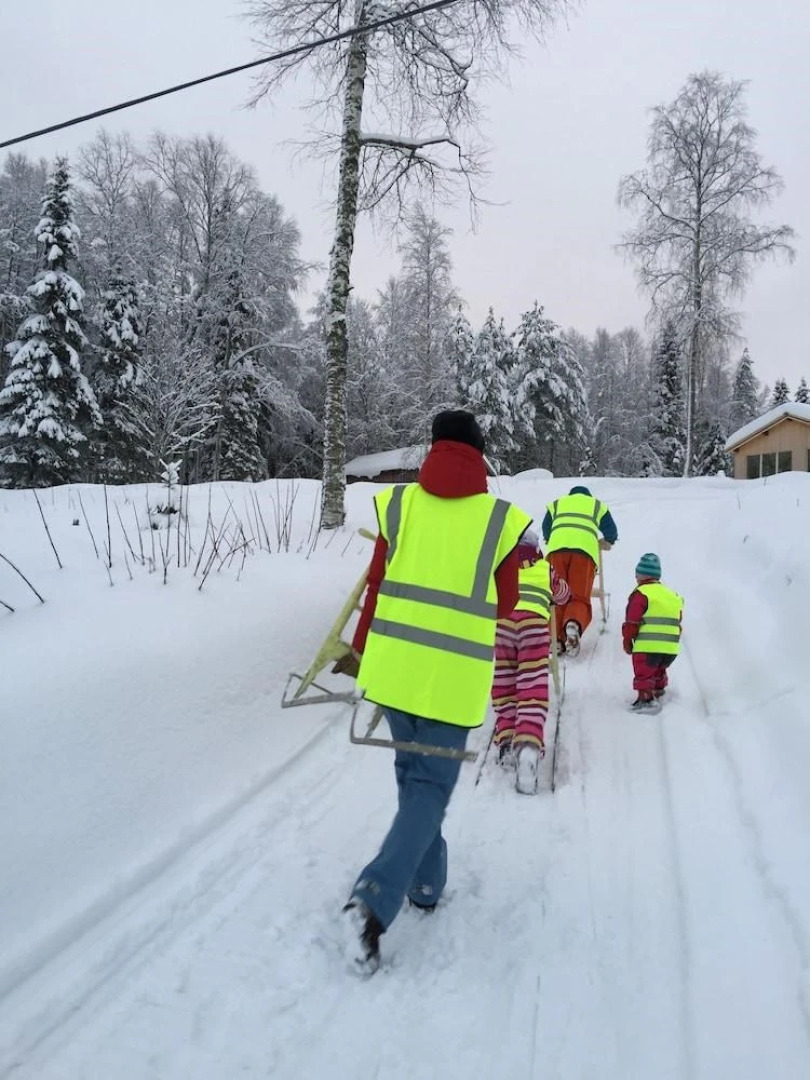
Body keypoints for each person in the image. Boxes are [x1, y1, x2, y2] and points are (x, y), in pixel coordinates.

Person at [338, 409, 532, 975]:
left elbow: (375, 584)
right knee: (427, 788)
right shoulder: (498, 521)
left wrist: (359, 649)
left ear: (434, 449)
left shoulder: (399, 505)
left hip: (395, 671)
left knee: (414, 781)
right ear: (480, 455)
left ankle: (424, 885)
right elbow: (510, 603)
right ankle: (371, 903)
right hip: (450, 681)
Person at [490, 529, 571, 794]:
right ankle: (527, 745)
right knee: (532, 682)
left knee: (504, 680)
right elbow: (561, 595)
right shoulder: (545, 568)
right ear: (537, 549)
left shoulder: (501, 566)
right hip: (534, 624)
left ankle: (506, 740)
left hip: (502, 623)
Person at [542, 484, 618, 655]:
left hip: (556, 551)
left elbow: (546, 527)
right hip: (584, 553)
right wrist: (608, 541)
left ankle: (555, 640)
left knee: (556, 595)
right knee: (578, 596)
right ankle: (573, 623)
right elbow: (611, 531)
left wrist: (550, 538)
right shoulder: (596, 505)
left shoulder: (557, 503)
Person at [622, 553, 684, 711]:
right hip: (670, 649)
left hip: (647, 647)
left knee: (644, 670)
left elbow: (632, 622)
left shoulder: (641, 594)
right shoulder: (673, 595)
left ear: (640, 577)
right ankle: (658, 688)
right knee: (658, 667)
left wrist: (628, 641)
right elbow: (678, 619)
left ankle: (646, 698)